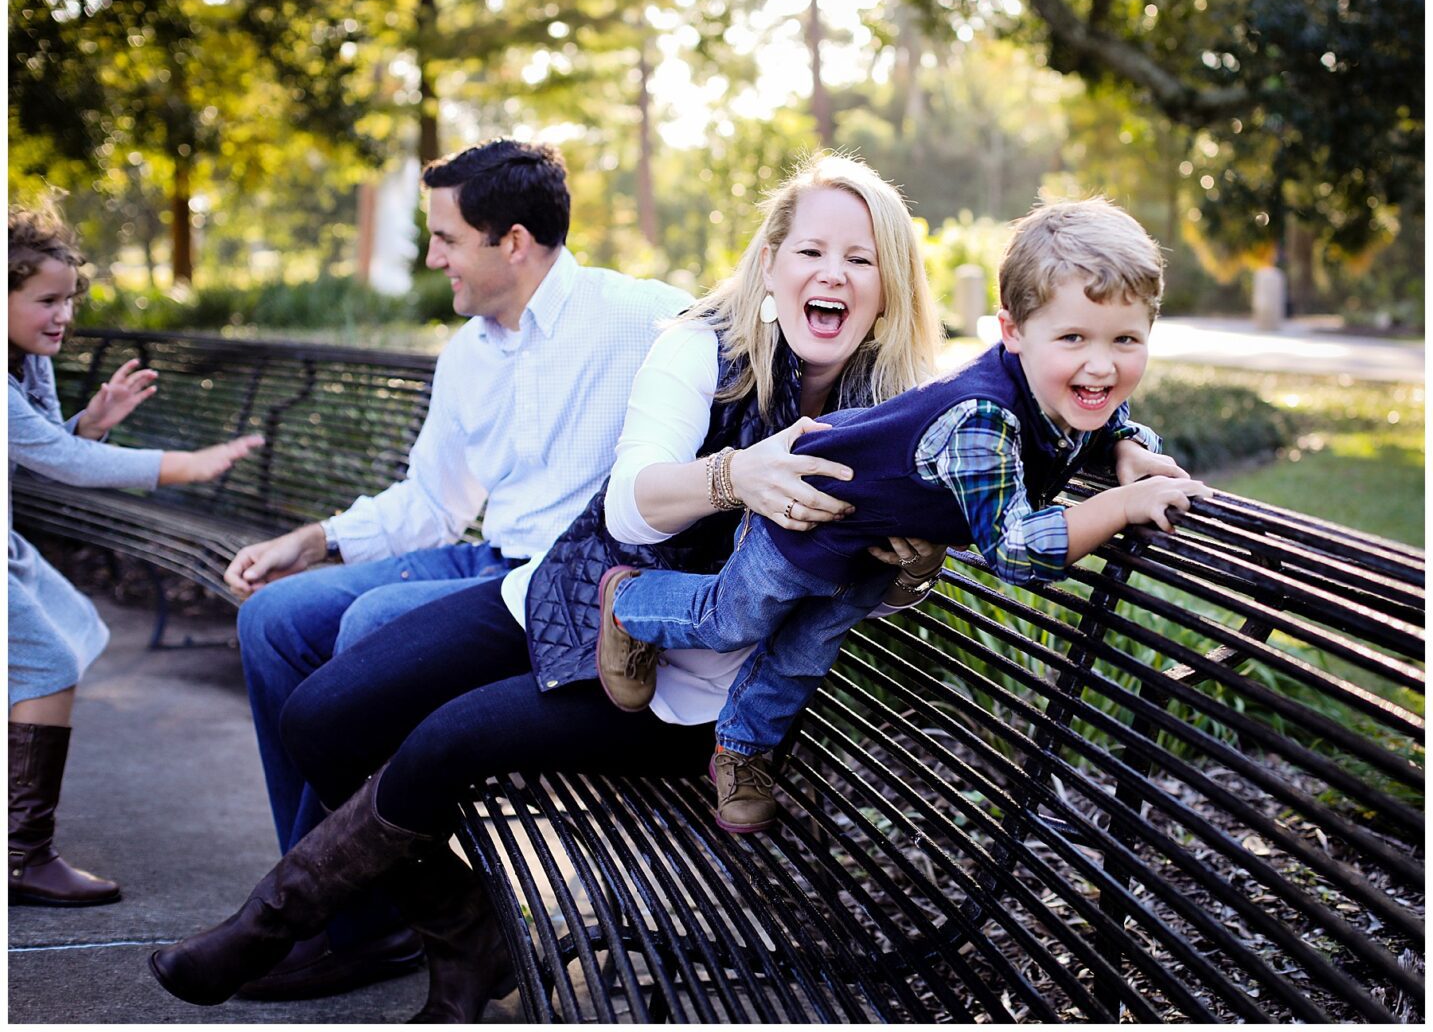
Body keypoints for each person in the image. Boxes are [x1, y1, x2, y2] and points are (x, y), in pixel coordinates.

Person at [149, 155, 946, 1017]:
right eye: (810, 252)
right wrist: (734, 477)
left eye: (859, 259)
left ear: (888, 285)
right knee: (323, 716)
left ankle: (265, 926)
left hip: (692, 691)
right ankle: (466, 934)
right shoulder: (698, 347)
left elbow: (887, 582)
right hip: (572, 590)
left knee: (446, 737)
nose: (831, 274)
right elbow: (633, 507)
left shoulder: (899, 413)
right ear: (772, 264)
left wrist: (909, 571)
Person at [202, 139, 688, 1004]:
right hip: (483, 556)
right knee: (271, 620)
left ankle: (336, 916)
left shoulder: (645, 318)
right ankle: (354, 914)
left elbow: (748, 375)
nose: (431, 258)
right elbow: (433, 496)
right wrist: (311, 539)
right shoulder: (470, 351)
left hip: (562, 585)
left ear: (513, 241)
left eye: (445, 238)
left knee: (370, 626)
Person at [598, 198, 1208, 833]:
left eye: (1125, 340)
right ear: (1013, 331)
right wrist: (1121, 502)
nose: (1101, 364)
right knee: (735, 616)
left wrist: (1129, 447)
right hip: (810, 512)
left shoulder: (1061, 386)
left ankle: (741, 754)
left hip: (872, 550)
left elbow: (1102, 410)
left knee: (802, 654)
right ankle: (631, 604)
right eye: (1074, 337)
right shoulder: (981, 419)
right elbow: (1017, 553)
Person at [9, 209, 262, 906]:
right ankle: (21, 855)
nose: (63, 316)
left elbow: (40, 447)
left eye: (69, 300)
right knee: (46, 662)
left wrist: (89, 422)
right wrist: (190, 465)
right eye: (45, 301)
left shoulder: (24, 361)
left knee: (68, 629)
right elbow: (61, 462)